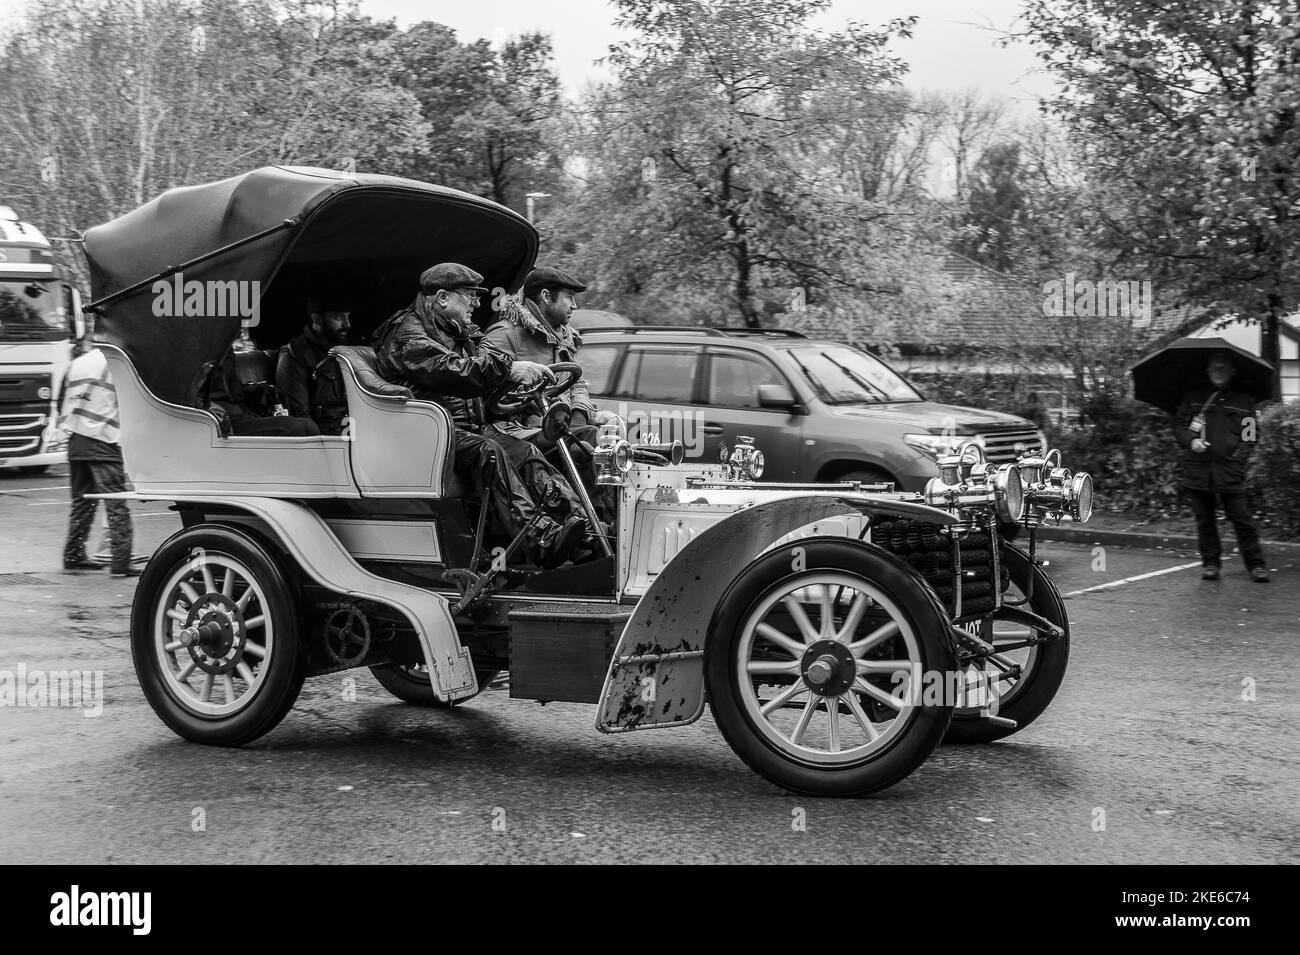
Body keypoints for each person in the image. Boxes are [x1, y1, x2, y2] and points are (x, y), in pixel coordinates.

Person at [371, 262, 595, 569]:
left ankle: (584, 533)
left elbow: (481, 378)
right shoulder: (409, 335)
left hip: (461, 428)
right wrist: (510, 369)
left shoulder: (459, 333)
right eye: (469, 296)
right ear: (442, 298)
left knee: (524, 451)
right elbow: (448, 370)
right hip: (423, 434)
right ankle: (540, 540)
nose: (477, 303)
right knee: (488, 452)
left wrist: (515, 391)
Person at [483, 267, 619, 519]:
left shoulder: (563, 335)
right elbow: (487, 389)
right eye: (569, 297)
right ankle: (602, 529)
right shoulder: (504, 335)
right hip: (518, 432)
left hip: (557, 427)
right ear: (546, 296)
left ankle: (610, 526)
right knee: (590, 441)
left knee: (606, 444)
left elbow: (576, 382)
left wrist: (578, 415)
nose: (575, 306)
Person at [1173, 350, 1269, 582]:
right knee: (1205, 520)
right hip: (1198, 468)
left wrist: (1239, 459)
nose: (1218, 371)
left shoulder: (1245, 401)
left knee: (1242, 519)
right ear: (1207, 370)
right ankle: (1211, 564)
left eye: (1223, 367)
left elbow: (1250, 435)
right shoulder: (1193, 397)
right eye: (1214, 367)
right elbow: (1179, 426)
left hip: (1230, 470)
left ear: (1232, 371)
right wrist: (1191, 440)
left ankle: (1256, 565)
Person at [60, 341, 138, 577]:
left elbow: (60, 401)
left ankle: (73, 555)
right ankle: (121, 562)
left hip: (76, 440)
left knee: (82, 502)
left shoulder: (77, 363)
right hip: (103, 439)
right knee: (116, 504)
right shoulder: (117, 363)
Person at [276, 296, 351, 434]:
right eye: (338, 318)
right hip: (327, 439)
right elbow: (300, 415)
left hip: (355, 431)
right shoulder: (295, 355)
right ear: (317, 319)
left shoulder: (344, 351)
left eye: (347, 317)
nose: (347, 325)